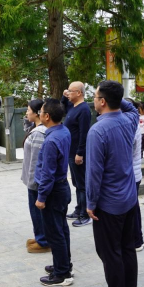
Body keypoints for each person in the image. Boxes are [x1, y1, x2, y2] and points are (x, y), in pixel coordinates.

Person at [85, 80, 139, 287]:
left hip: (108, 203)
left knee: (110, 253)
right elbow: (132, 108)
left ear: (103, 102)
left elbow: (94, 172)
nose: (94, 101)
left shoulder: (98, 131)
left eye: (96, 97)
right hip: (128, 198)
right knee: (127, 249)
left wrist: (90, 203)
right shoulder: (129, 121)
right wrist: (118, 98)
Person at [34, 99, 74, 286]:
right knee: (61, 229)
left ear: (47, 116)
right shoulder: (63, 131)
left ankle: (62, 274)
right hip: (61, 187)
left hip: (54, 191)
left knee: (55, 233)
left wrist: (41, 197)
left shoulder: (51, 140)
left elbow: (48, 173)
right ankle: (63, 263)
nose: (39, 114)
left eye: (41, 111)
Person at [21, 99, 50, 253]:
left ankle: (43, 241)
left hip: (35, 181)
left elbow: (36, 162)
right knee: (36, 212)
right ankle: (40, 236)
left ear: (37, 113)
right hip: (34, 180)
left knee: (37, 211)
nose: (26, 113)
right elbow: (26, 126)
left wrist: (33, 182)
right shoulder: (36, 128)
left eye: (28, 110)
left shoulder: (39, 133)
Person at [61, 81, 92, 226]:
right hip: (70, 151)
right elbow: (61, 108)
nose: (68, 93)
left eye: (70, 91)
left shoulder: (84, 109)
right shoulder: (73, 107)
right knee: (76, 182)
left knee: (82, 184)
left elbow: (84, 133)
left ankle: (85, 214)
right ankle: (79, 208)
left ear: (79, 93)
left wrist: (80, 153)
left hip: (77, 153)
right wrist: (64, 96)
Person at [131, 102, 144, 251]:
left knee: (133, 208)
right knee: (134, 207)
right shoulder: (133, 125)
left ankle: (137, 240)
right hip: (134, 173)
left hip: (132, 175)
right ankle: (137, 239)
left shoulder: (131, 127)